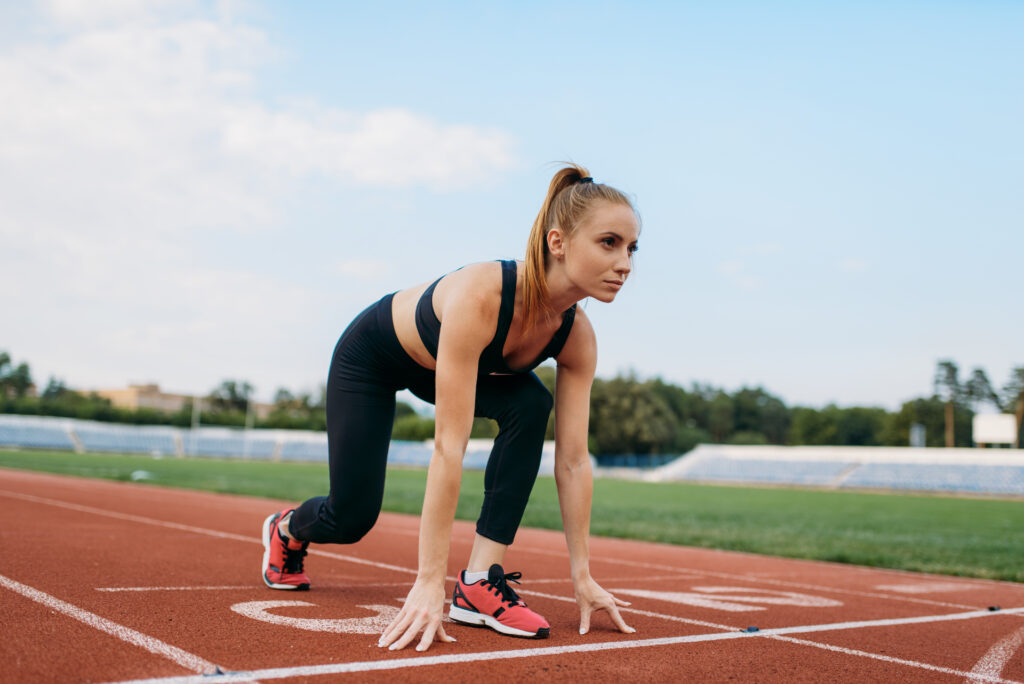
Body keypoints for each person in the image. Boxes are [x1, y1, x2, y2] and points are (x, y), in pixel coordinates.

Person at [260, 163, 640, 652]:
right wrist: (426, 581)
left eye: (631, 248)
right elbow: (448, 447)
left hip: (449, 368)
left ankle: (480, 579)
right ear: (558, 242)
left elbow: (572, 460)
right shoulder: (484, 295)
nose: (625, 262)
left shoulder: (577, 337)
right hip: (374, 359)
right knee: (351, 518)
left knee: (530, 401)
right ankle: (288, 529)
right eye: (609, 243)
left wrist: (582, 576)